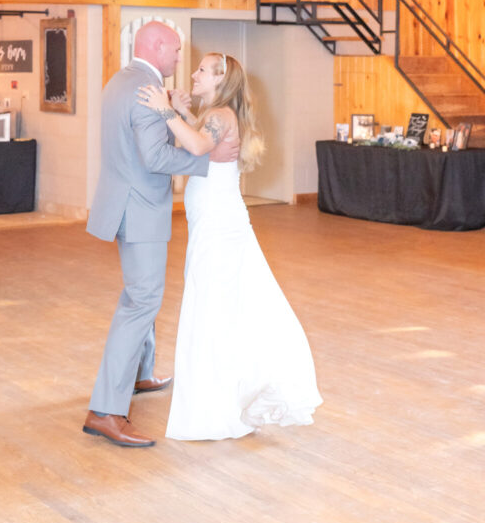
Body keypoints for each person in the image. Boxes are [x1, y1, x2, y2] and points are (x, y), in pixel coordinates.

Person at [137, 52, 322, 441]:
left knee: (212, 303)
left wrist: (164, 111)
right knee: (215, 301)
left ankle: (216, 404)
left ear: (220, 79)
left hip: (218, 225)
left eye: (202, 70)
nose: (194, 74)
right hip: (213, 221)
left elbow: (198, 146)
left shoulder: (220, 116)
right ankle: (220, 394)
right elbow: (203, 139)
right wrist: (182, 112)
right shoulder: (217, 114)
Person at [83, 22, 240, 449]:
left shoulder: (121, 80)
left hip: (121, 202)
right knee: (142, 301)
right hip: (140, 210)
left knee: (142, 293)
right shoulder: (145, 88)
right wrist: (211, 163)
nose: (180, 59)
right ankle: (106, 411)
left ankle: (140, 374)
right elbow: (154, 157)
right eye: (175, 50)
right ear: (157, 47)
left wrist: (176, 112)